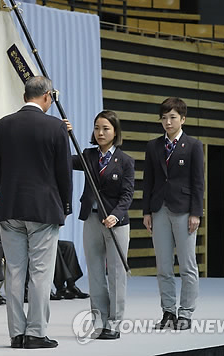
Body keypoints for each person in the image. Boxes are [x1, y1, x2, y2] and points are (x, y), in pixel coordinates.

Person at [0, 76, 72, 349]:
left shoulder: (1, 125)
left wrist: (7, 196)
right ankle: (36, 333)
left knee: (14, 272)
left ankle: (16, 334)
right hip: (43, 208)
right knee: (40, 273)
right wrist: (66, 205)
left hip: (10, 207)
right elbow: (64, 173)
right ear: (47, 96)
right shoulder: (55, 127)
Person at [65, 111, 134, 340]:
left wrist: (115, 215)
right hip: (92, 220)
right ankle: (99, 320)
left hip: (116, 223)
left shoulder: (125, 161)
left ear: (115, 131)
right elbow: (63, 159)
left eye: (105, 128)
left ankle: (114, 324)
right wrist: (63, 135)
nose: (101, 132)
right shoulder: (88, 155)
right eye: (97, 128)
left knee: (115, 274)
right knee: (95, 273)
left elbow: (127, 195)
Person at [0, 160, 85, 302]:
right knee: (48, 246)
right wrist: (6, 207)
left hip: (18, 231)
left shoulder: (4, 190)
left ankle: (70, 285)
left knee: (66, 245)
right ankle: (59, 287)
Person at [142, 97, 203, 331]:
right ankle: (168, 311)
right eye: (164, 117)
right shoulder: (153, 146)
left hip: (185, 210)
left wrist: (196, 212)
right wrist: (146, 210)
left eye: (173, 117)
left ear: (183, 119)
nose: (168, 122)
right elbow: (148, 181)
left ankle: (186, 312)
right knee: (163, 266)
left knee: (188, 265)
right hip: (158, 210)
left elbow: (198, 183)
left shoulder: (194, 145)